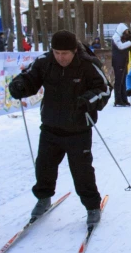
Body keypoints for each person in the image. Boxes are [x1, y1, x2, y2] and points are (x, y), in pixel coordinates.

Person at [8, 30, 111, 226]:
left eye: (65, 53)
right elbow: (29, 78)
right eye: (57, 53)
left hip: (78, 129)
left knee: (82, 171)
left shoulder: (87, 64)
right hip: (50, 126)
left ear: (74, 51)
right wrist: (20, 86)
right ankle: (43, 199)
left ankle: (92, 206)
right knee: (44, 167)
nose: (60, 57)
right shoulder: (45, 62)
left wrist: (88, 100)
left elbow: (105, 89)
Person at [112, 23, 131, 107]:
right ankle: (118, 99)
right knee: (119, 80)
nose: (126, 33)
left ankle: (124, 98)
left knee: (123, 80)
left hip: (123, 61)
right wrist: (130, 42)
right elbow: (120, 46)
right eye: (125, 31)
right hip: (118, 62)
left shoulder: (121, 38)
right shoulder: (116, 37)